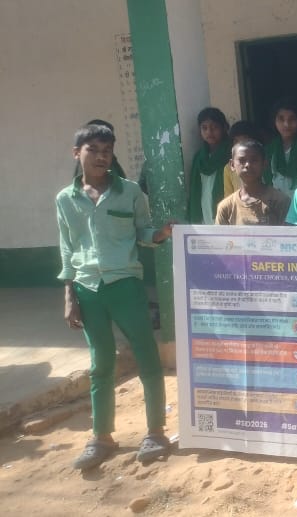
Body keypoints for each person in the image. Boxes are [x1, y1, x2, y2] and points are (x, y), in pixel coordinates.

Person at [56, 124, 174, 470]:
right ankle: (101, 437)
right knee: (100, 363)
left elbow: (142, 231)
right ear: (76, 153)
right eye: (92, 149)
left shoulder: (130, 192)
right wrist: (69, 294)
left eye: (106, 150)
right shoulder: (65, 199)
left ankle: (156, 432)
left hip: (125, 285)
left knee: (146, 355)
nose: (101, 156)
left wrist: (160, 235)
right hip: (87, 288)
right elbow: (67, 248)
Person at [215, 140, 289, 226]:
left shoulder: (280, 201)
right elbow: (220, 235)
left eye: (254, 160)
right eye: (242, 160)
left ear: (265, 163)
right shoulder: (226, 207)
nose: (248, 165)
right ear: (232, 165)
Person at [187, 107, 230, 224]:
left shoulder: (231, 153)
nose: (209, 132)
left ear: (224, 127)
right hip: (203, 210)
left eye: (214, 127)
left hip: (225, 211)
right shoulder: (199, 157)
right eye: (204, 128)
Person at [221, 120, 261, 197]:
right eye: (236, 141)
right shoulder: (228, 169)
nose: (240, 144)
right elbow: (228, 196)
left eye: (245, 140)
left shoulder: (261, 163)